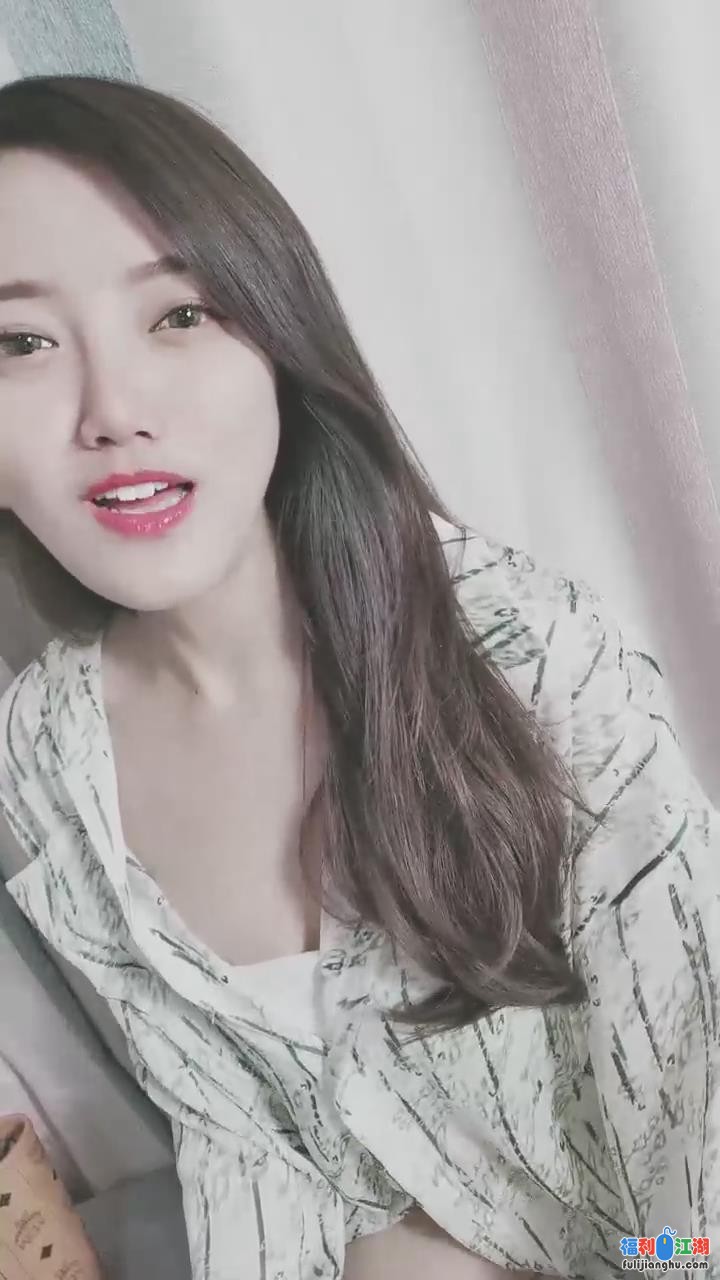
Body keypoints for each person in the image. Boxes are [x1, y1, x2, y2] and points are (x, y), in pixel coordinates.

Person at [0, 74, 716, 1280]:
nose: (113, 411)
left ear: (277, 338)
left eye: (179, 313)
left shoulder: (524, 651)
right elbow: (242, 1158)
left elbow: (699, 1175)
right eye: (20, 342)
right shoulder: (45, 759)